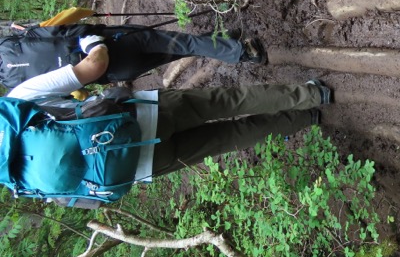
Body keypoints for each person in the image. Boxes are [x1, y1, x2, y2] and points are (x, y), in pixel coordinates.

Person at [6, 35, 332, 203]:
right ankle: (313, 95)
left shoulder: (18, 181)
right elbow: (94, 66)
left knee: (229, 138)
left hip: (141, 164)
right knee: (229, 102)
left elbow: (78, 196)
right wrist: (92, 42)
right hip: (144, 115)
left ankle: (305, 118)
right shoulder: (18, 102)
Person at [0, 23, 266, 89]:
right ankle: (244, 53)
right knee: (181, 43)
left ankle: (223, 38)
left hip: (116, 72)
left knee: (177, 50)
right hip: (118, 43)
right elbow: (68, 31)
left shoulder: (13, 84)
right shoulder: (10, 45)